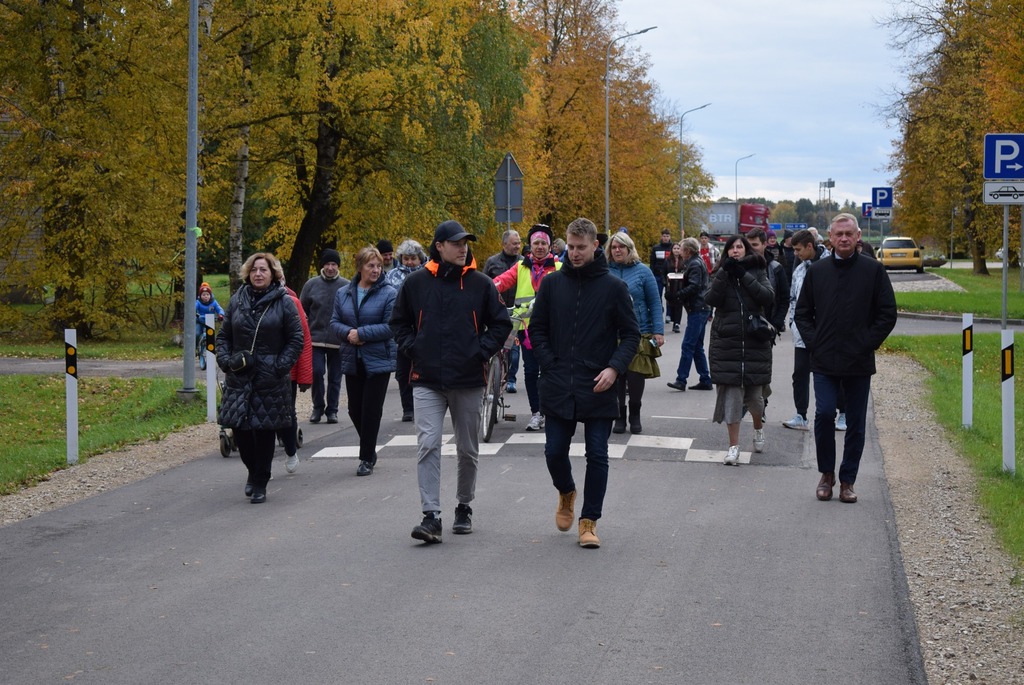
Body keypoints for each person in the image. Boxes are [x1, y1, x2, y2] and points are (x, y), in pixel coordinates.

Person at [390, 220, 512, 543]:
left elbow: (501, 324)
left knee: (467, 448)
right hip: (426, 378)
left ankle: (464, 506)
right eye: (456, 243)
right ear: (439, 247)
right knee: (427, 444)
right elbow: (398, 321)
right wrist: (413, 347)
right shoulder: (416, 284)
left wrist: (480, 351)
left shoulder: (480, 284)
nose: (463, 248)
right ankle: (430, 516)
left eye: (465, 243)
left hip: (468, 378)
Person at [530, 217, 639, 549]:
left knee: (597, 454)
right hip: (559, 382)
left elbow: (632, 335)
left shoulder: (614, 288)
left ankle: (589, 522)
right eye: (570, 247)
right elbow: (537, 329)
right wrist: (550, 363)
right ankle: (566, 491)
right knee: (553, 451)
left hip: (599, 384)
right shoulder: (551, 284)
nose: (574, 254)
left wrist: (614, 369)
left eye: (581, 248)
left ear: (595, 245)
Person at [795, 213, 897, 504]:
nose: (843, 239)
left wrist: (866, 343)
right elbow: (802, 312)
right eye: (838, 234)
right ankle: (826, 474)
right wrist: (815, 343)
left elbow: (887, 313)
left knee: (855, 422)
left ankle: (848, 480)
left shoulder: (873, 271)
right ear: (829, 237)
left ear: (858, 237)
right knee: (825, 414)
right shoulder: (818, 271)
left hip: (858, 360)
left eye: (848, 234)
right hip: (825, 360)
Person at [216, 253, 304, 504]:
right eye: (254, 269)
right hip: (239, 377)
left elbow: (295, 339)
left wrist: (279, 366)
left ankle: (261, 482)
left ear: (273, 273)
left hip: (270, 378)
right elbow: (224, 337)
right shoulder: (237, 300)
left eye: (263, 270)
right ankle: (252, 471)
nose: (258, 274)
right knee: (240, 430)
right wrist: (226, 361)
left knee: (264, 430)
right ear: (248, 273)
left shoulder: (284, 303)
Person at [705, 235, 774, 465]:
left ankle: (758, 428)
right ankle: (733, 447)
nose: (736, 251)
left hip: (755, 342)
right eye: (732, 248)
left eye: (739, 247)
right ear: (726, 252)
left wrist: (743, 275)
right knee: (732, 398)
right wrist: (725, 272)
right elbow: (711, 298)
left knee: (755, 399)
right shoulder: (720, 272)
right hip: (728, 343)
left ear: (746, 250)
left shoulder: (757, 270)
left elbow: (767, 297)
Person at [331, 246, 397, 477]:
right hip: (352, 357)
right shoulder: (343, 293)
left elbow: (391, 326)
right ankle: (369, 446)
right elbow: (334, 322)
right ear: (359, 267)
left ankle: (366, 457)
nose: (376, 270)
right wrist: (349, 333)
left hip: (378, 358)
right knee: (354, 409)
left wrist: (363, 334)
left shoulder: (389, 293)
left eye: (379, 266)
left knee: (371, 409)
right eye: (371, 265)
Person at [492, 224, 561, 431]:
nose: (539, 247)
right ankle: (536, 413)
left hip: (552, 329)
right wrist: (486, 288)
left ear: (549, 246)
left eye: (543, 243)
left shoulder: (559, 268)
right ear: (530, 246)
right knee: (531, 372)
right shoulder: (521, 267)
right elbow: (502, 281)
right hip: (526, 328)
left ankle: (552, 411)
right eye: (536, 243)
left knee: (550, 371)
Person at [607, 231, 664, 434]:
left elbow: (654, 302)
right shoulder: (605, 270)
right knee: (617, 375)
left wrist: (658, 331)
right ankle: (619, 416)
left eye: (621, 246)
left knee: (635, 374)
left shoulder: (643, 272)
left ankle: (635, 413)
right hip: (611, 332)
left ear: (629, 249)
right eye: (613, 247)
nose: (617, 250)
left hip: (640, 331)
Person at [299, 249, 350, 424]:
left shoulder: (346, 285)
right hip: (315, 339)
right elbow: (302, 309)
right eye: (327, 264)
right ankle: (318, 407)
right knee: (317, 372)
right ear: (322, 265)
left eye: (333, 264)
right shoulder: (311, 285)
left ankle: (332, 410)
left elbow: (351, 311)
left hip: (338, 340)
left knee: (335, 377)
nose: (330, 267)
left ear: (338, 266)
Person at [781, 229, 821, 432]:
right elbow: (793, 299)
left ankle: (842, 413)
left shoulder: (828, 265)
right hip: (801, 335)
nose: (795, 253)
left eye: (798, 250)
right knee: (800, 374)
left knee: (831, 374)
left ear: (809, 246)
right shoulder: (799, 270)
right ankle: (801, 414)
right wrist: (793, 324)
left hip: (824, 333)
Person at [385, 239, 428, 422]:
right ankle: (407, 408)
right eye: (406, 258)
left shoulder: (427, 274)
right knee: (403, 372)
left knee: (423, 370)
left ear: (420, 258)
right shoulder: (392, 275)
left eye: (413, 258)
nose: (410, 262)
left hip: (424, 327)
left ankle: (424, 406)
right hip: (402, 329)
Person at [666, 237, 713, 393]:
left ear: (688, 251)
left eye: (682, 249)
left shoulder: (694, 264)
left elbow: (694, 286)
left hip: (697, 309)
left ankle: (681, 380)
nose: (679, 251)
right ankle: (705, 379)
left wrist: (677, 294)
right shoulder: (697, 262)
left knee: (688, 345)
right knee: (697, 346)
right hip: (701, 308)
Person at [277, 278, 313, 474]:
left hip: (285, 371)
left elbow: (303, 340)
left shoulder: (292, 303)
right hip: (257, 370)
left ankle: (290, 450)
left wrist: (305, 376)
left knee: (285, 413)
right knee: (260, 418)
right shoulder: (245, 301)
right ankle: (260, 469)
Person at [483, 229, 523, 394]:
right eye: (514, 243)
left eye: (519, 243)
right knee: (495, 347)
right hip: (496, 312)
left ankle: (511, 379)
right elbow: (485, 284)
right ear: (504, 244)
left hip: (516, 311)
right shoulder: (492, 262)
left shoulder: (523, 262)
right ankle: (492, 376)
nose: (518, 246)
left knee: (513, 351)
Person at [746, 228, 789, 337]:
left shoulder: (776, 268)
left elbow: (784, 298)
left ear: (764, 244)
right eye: (748, 245)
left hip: (767, 326)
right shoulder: (740, 267)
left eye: (755, 245)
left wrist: (777, 323)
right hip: (743, 326)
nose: (751, 249)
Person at [195, 282, 225, 371]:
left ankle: (212, 351)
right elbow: (193, 308)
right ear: (200, 296)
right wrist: (195, 314)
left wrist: (221, 314)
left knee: (212, 337)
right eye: (204, 295)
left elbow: (219, 309)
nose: (206, 296)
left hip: (210, 323)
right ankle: (196, 347)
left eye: (207, 294)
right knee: (197, 333)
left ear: (210, 295)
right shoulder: (198, 303)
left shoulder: (214, 302)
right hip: (199, 322)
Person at [662, 242, 687, 333]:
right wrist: (664, 282)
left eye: (678, 248)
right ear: (672, 250)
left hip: (680, 285)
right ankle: (672, 319)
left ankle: (677, 323)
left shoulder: (683, 260)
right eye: (674, 248)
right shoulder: (667, 261)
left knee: (679, 304)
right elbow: (663, 273)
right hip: (670, 285)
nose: (676, 250)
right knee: (671, 303)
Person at [649, 228, 674, 305]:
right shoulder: (656, 248)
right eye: (664, 236)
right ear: (661, 237)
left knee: (670, 295)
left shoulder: (673, 248)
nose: (665, 238)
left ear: (669, 237)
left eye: (667, 236)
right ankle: (659, 310)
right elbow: (652, 262)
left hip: (670, 275)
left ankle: (669, 314)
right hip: (657, 275)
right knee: (657, 295)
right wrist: (652, 274)